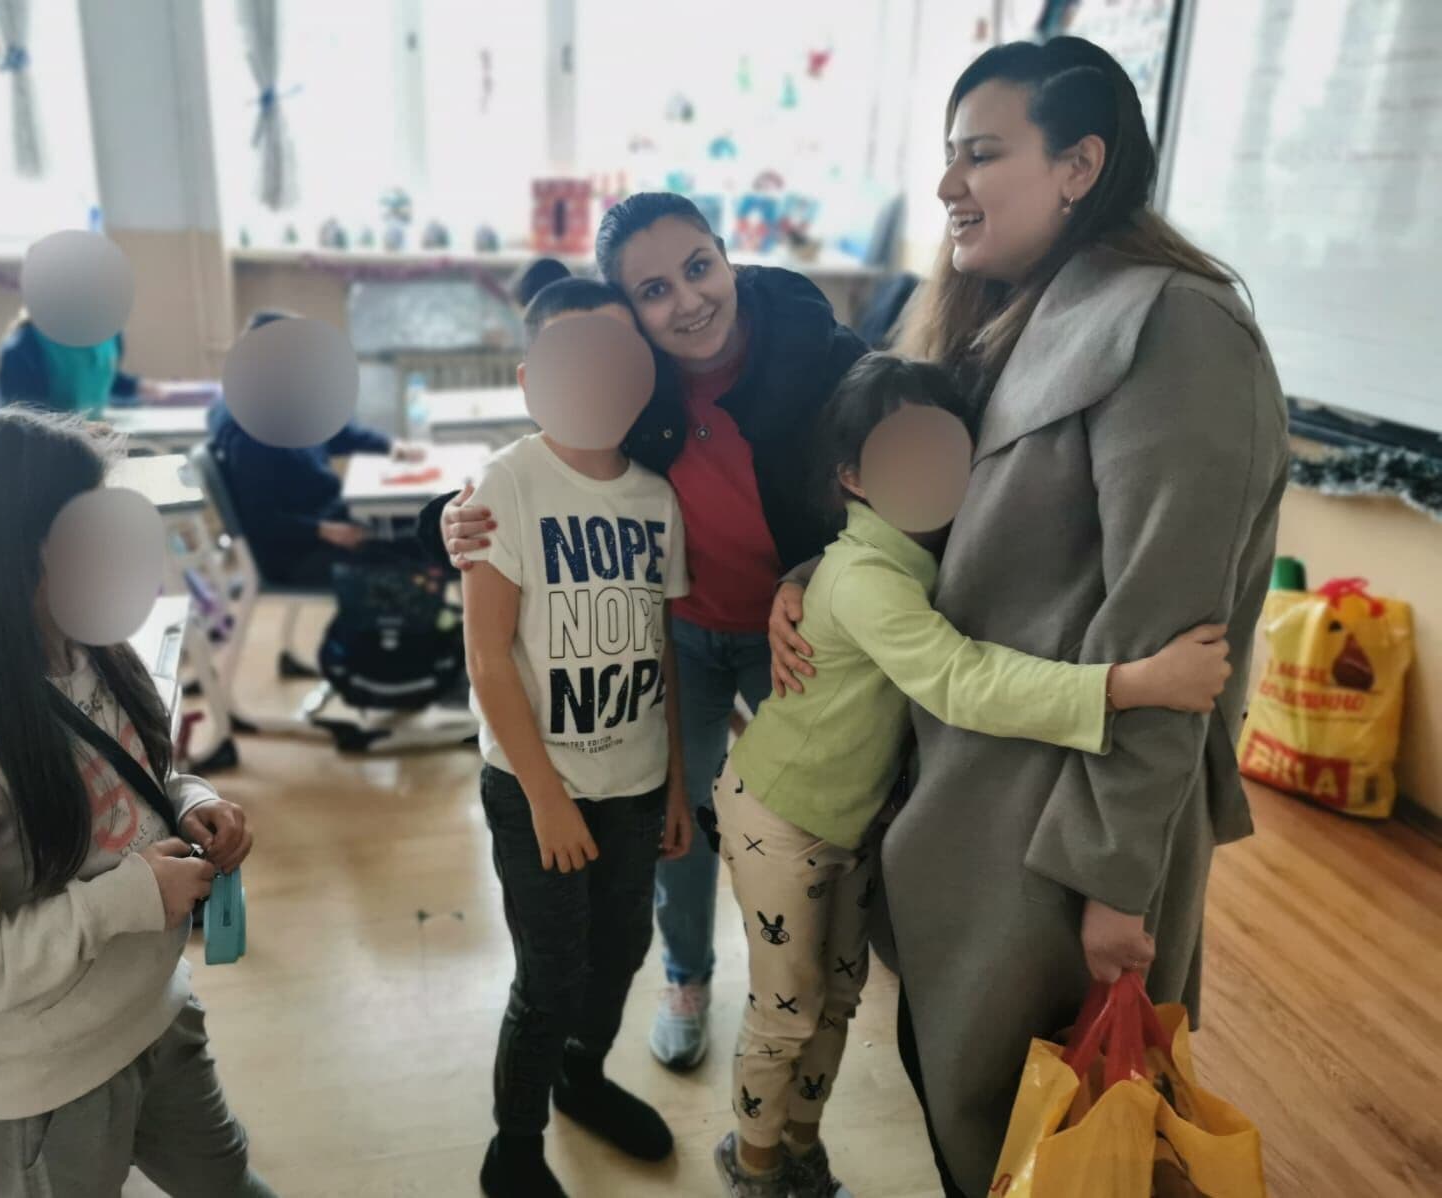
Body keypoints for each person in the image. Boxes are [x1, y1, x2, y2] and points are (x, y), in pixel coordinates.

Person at [767, 37, 1290, 1197]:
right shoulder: (1008, 319)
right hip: (958, 796)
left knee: (1046, 1136)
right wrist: (810, 579)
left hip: (1055, 835)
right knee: (971, 1108)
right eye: (948, 156)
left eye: (981, 154)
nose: (947, 185)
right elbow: (924, 520)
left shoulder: (1175, 328)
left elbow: (1173, 642)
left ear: (1078, 165)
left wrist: (1114, 882)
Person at [712, 353, 1233, 1197]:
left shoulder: (924, 555)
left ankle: (800, 1148)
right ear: (852, 477)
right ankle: (754, 1161)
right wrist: (1130, 685)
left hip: (844, 824)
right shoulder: (868, 576)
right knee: (788, 1010)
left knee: (838, 999)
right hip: (778, 817)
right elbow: (960, 680)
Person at [431, 193, 868, 1070]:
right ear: (630, 317)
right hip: (684, 635)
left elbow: (885, 489)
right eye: (655, 291)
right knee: (684, 821)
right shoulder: (636, 379)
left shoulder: (819, 354)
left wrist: (812, 575)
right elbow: (546, 459)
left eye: (699, 268)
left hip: (794, 628)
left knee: (818, 811)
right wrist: (443, 517)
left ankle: (811, 981)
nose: (689, 302)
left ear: (727, 256)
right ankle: (687, 976)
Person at [0, 408, 274, 1197]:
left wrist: (189, 800)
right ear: (5, 555)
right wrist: (129, 899)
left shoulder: (93, 655)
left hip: (158, 1016)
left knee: (228, 1181)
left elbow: (130, 782)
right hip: (50, 1080)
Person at [464, 277, 693, 1198]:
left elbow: (662, 646)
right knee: (550, 974)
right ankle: (513, 1147)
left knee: (623, 948)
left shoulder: (655, 498)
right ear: (533, 378)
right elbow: (487, 659)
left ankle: (580, 1076)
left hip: (636, 783)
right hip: (536, 789)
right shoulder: (507, 484)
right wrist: (547, 799)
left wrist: (675, 783)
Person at [208, 309, 426, 587]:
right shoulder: (249, 430)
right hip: (296, 551)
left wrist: (390, 445)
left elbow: (336, 433)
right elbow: (261, 519)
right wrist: (324, 531)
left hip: (324, 516)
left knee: (425, 521)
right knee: (424, 547)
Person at [0, 313, 173, 415]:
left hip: (97, 439)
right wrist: (73, 429)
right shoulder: (23, 346)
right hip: (49, 449)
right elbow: (23, 414)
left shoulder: (110, 336)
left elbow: (100, 375)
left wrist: (136, 386)